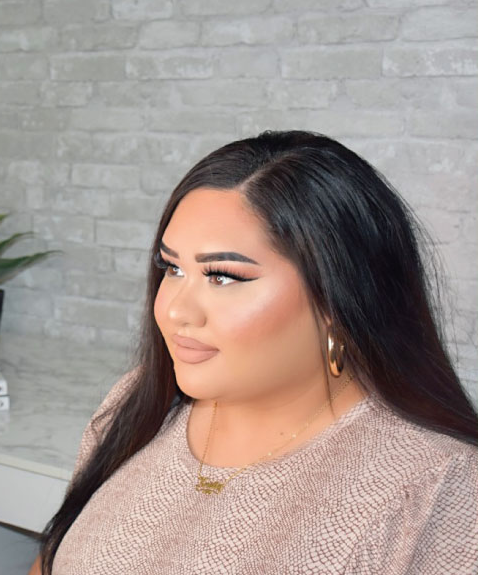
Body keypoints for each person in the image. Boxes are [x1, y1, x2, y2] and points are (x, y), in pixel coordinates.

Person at [28, 130, 478, 574]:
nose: (175, 310)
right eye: (172, 268)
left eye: (222, 276)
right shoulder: (140, 404)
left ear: (336, 297)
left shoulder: (436, 486)